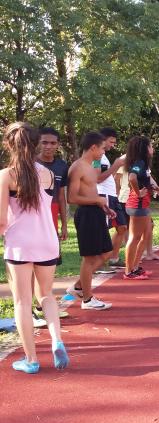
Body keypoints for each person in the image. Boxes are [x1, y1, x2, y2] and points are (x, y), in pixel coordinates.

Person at [0, 122, 69, 373]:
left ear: (9, 144)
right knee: (47, 295)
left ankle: (31, 359)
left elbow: (1, 220)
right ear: (36, 143)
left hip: (20, 243)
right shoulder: (48, 174)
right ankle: (56, 339)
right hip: (47, 240)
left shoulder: (6, 175)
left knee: (22, 301)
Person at [65, 132, 114, 310]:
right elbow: (72, 197)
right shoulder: (78, 167)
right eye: (102, 148)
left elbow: (93, 188)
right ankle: (87, 299)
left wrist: (104, 206)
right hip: (86, 214)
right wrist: (97, 201)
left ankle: (78, 286)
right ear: (93, 147)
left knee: (107, 252)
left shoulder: (91, 165)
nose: (103, 151)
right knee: (89, 258)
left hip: (97, 212)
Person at [34, 127, 70, 324]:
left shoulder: (62, 166)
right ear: (37, 143)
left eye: (52, 143)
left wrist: (64, 224)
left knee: (50, 261)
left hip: (52, 215)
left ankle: (43, 304)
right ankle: (35, 306)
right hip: (32, 216)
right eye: (44, 142)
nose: (48, 146)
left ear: (58, 145)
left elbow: (62, 197)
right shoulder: (30, 163)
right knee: (31, 262)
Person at [122, 136, 159, 280]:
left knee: (146, 234)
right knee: (134, 237)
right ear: (144, 148)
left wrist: (154, 189)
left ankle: (135, 268)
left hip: (144, 204)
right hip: (137, 205)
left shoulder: (144, 164)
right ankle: (128, 271)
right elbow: (132, 177)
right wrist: (138, 192)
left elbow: (144, 179)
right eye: (151, 146)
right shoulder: (139, 162)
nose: (152, 149)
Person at [96, 128, 127, 272]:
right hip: (104, 195)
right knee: (103, 229)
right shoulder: (97, 158)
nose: (113, 145)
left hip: (112, 196)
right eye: (111, 142)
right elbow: (98, 178)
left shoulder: (103, 157)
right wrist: (116, 165)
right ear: (102, 139)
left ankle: (113, 258)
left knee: (122, 227)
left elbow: (107, 176)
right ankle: (100, 262)